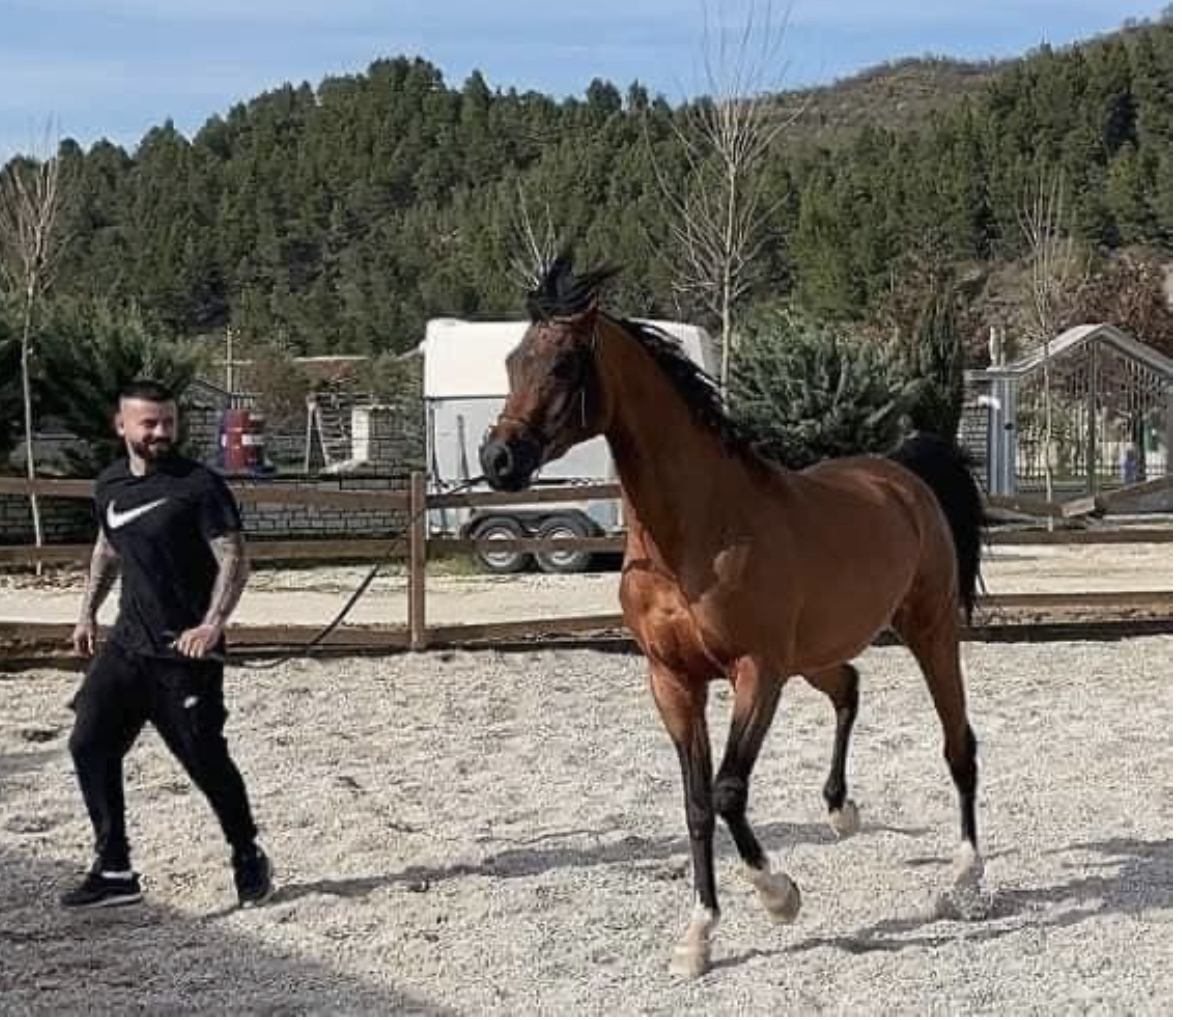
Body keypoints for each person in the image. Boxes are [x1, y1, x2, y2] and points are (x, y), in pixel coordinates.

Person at [61, 378, 272, 910]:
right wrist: (86, 612)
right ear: (121, 425)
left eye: (169, 422)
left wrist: (211, 625)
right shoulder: (110, 484)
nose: (161, 432)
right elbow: (107, 547)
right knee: (89, 742)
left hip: (185, 654)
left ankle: (246, 851)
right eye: (149, 423)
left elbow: (234, 557)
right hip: (127, 647)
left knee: (203, 759)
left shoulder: (198, 486)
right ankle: (114, 868)